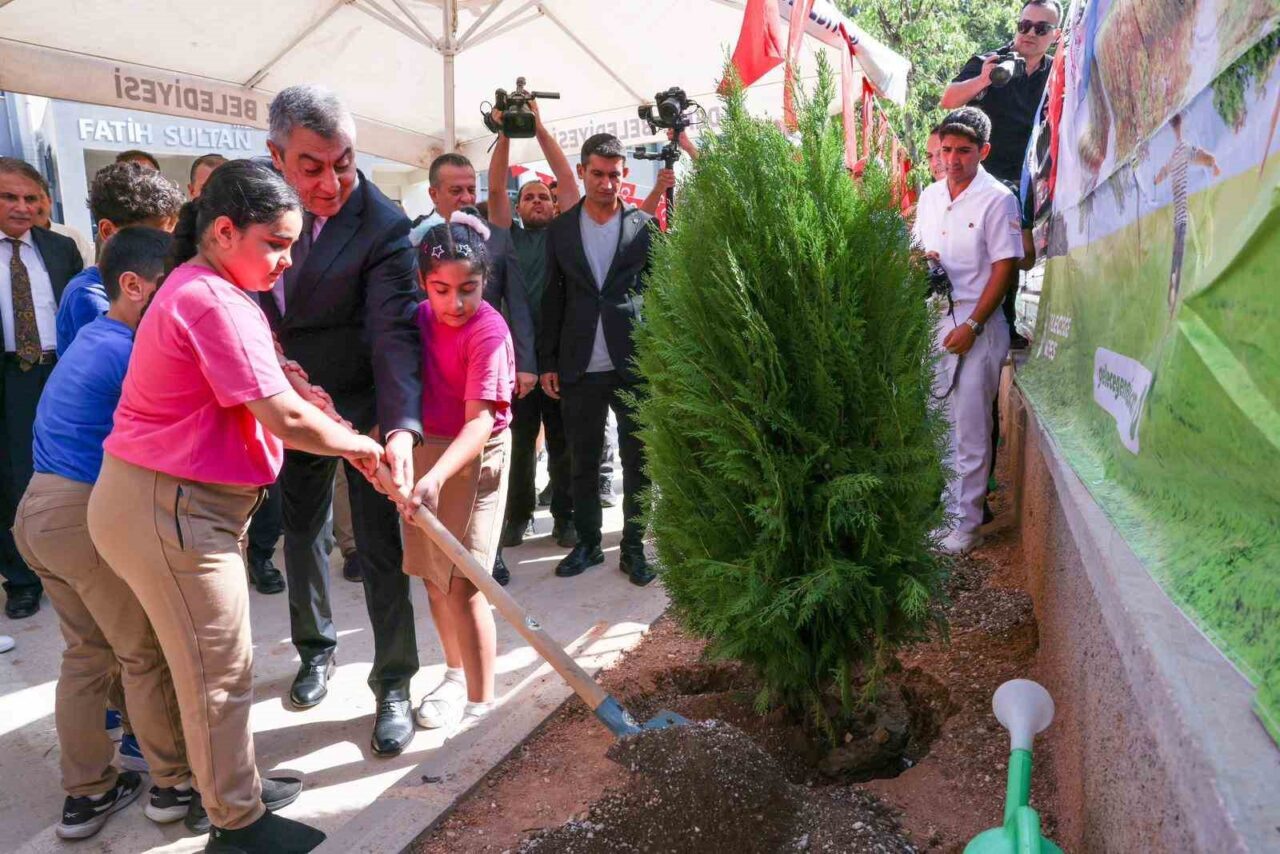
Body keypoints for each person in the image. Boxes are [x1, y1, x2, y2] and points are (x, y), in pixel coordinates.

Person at [88, 160, 379, 852]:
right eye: (275, 243)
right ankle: (237, 827)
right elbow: (288, 421)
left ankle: (230, 787)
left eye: (292, 243)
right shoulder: (210, 297)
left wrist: (295, 380)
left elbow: (266, 381)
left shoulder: (206, 285)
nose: (285, 260)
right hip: (172, 506)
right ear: (223, 231)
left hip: (171, 501)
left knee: (206, 663)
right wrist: (363, 448)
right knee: (216, 671)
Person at [13, 227, 194, 840]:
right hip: (80, 516)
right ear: (133, 286)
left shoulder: (91, 337)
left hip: (37, 513)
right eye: (169, 290)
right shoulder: (127, 352)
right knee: (143, 653)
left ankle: (88, 793)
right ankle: (174, 784)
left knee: (87, 655)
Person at [263, 85, 423, 755]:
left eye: (345, 163)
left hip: (359, 406)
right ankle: (315, 650)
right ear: (276, 156)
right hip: (281, 402)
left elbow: (393, 335)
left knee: (380, 549)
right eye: (311, 166)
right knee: (300, 533)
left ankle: (393, 683)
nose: (331, 183)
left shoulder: (383, 225)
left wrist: (399, 429)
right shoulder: (244, 201)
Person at [400, 212, 514, 732]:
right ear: (424, 284)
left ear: (485, 281)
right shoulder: (416, 317)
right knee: (431, 575)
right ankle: (453, 673)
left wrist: (435, 477)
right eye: (441, 290)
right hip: (427, 450)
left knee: (464, 583)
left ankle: (480, 705)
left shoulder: (488, 330)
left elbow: (480, 423)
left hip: (474, 453)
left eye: (467, 288)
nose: (455, 303)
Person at [539, 133, 657, 586]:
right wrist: (548, 359)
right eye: (597, 174)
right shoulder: (562, 228)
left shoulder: (643, 226)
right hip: (579, 362)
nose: (607, 182)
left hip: (634, 362)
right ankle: (588, 543)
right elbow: (552, 296)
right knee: (581, 459)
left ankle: (633, 547)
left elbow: (659, 292)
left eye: (614, 174)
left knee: (638, 459)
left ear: (623, 175)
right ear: (583, 172)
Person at [912, 108, 1023, 555]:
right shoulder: (930, 197)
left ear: (984, 151)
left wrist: (975, 325)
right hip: (935, 319)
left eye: (963, 151)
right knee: (941, 423)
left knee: (971, 427)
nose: (952, 160)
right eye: (946, 150)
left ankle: (968, 524)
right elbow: (918, 251)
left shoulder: (998, 199)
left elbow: (1005, 267)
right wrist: (921, 261)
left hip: (978, 323)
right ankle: (948, 515)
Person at [486, 99, 583, 573]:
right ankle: (518, 515)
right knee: (520, 442)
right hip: (519, 360)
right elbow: (494, 187)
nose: (539, 201)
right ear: (518, 208)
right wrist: (506, 134)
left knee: (564, 442)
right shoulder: (506, 238)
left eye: (545, 196)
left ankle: (564, 516)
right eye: (530, 197)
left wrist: (538, 128)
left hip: (563, 357)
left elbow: (568, 180)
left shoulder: (567, 232)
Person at [941, 0, 1060, 345]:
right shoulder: (991, 62)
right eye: (1025, 25)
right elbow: (948, 99)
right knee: (1001, 250)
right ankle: (990, 322)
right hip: (982, 176)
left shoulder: (1056, 71)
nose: (1030, 34)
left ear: (1054, 35)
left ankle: (1001, 323)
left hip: (1030, 178)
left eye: (1041, 28)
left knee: (1021, 254)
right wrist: (982, 80)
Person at [0, 156, 84, 620]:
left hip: (62, 374)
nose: (21, 207)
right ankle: (22, 580)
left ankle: (73, 566)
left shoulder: (58, 249)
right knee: (12, 478)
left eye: (30, 198)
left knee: (68, 472)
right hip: (10, 377)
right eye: (9, 197)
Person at [55, 162, 185, 355]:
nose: (167, 248)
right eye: (155, 237)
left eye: (171, 236)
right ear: (108, 231)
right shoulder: (88, 296)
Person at [1153, 112, 1219, 312]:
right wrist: (1214, 165)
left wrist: (1158, 178)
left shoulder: (1175, 154)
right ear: (1182, 124)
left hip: (1178, 219)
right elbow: (1207, 158)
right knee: (1188, 256)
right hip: (1185, 218)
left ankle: (1172, 301)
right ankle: (1176, 302)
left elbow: (1161, 174)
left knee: (1178, 258)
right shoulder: (1183, 149)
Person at [32, 182, 95, 266]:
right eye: (30, 199)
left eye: (40, 198)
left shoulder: (71, 236)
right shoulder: (16, 244)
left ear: (50, 201)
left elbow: (89, 270)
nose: (35, 205)